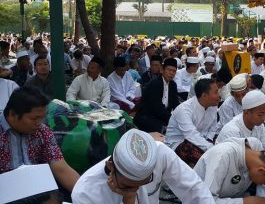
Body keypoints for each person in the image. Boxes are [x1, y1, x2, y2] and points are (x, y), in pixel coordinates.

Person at [71, 129, 215, 204]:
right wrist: (128, 198)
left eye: (145, 182)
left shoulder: (160, 153)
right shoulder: (85, 193)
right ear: (111, 166)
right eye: (128, 186)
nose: (136, 190)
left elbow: (194, 189)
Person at [1, 87, 80, 193]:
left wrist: (85, 195)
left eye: (42, 117)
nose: (39, 123)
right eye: (34, 118)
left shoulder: (42, 131)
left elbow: (61, 169)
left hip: (37, 191)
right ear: (13, 114)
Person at [194, 137, 265, 204]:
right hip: (201, 199)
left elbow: (262, 188)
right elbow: (203, 201)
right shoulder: (222, 157)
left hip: (236, 196)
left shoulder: (255, 147)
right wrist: (245, 202)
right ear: (261, 170)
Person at [165, 78, 219, 167]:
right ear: (204, 96)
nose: (219, 96)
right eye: (216, 92)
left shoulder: (212, 106)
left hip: (203, 141)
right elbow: (191, 136)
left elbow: (213, 129)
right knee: (207, 159)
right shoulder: (184, 109)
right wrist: (211, 148)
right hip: (179, 143)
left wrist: (209, 142)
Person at [134, 58, 179, 133]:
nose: (171, 73)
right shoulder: (155, 84)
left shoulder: (173, 85)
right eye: (169, 70)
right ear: (162, 70)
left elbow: (176, 104)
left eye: (174, 71)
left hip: (162, 117)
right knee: (167, 130)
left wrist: (180, 116)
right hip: (148, 116)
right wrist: (172, 120)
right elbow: (157, 108)